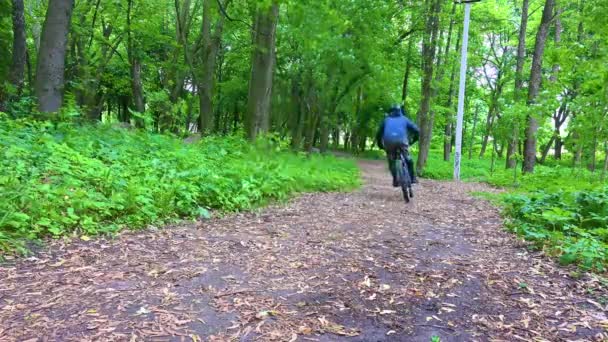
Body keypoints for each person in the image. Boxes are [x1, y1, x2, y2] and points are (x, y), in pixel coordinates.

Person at [375, 104, 419, 187]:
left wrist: (380, 145)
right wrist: (413, 140)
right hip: (402, 141)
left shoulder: (386, 120)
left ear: (390, 112)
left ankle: (395, 179)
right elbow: (416, 130)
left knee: (391, 161)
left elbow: (378, 134)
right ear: (400, 111)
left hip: (389, 142)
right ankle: (412, 178)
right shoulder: (404, 119)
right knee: (409, 160)